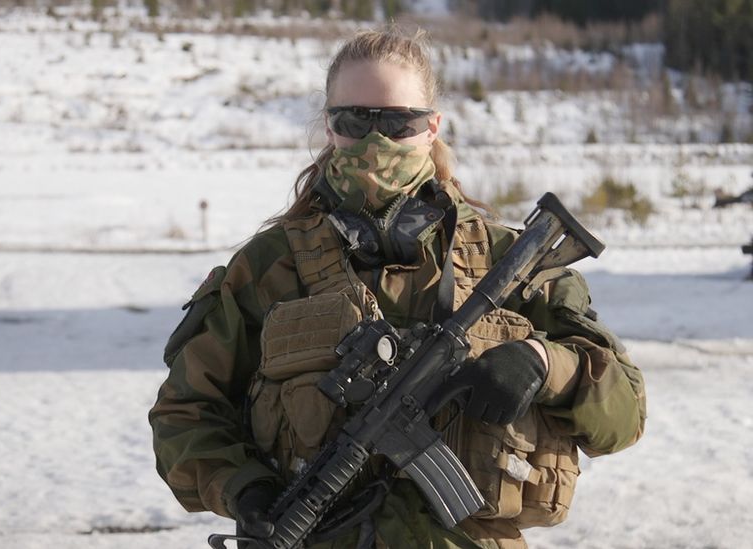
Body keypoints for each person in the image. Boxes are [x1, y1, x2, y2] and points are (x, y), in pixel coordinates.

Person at [150, 28, 646, 549]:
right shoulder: (267, 267)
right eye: (354, 120)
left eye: (397, 122)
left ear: (431, 127)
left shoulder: (510, 263)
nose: (375, 142)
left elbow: (625, 415)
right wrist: (243, 489)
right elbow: (184, 415)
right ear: (328, 126)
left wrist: (549, 366)